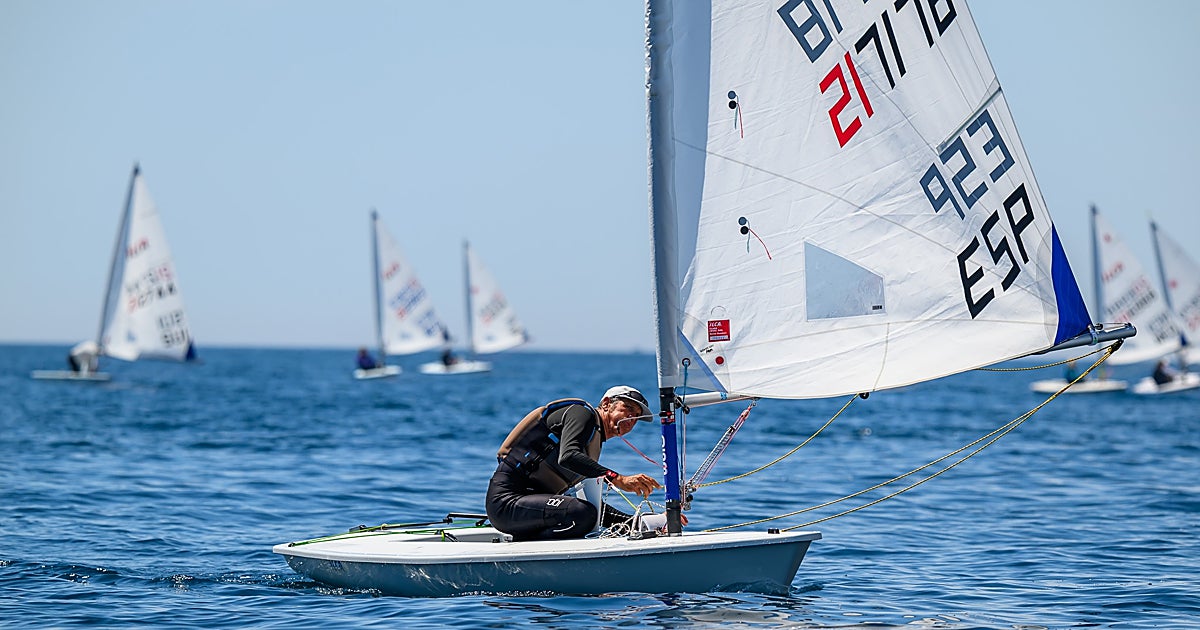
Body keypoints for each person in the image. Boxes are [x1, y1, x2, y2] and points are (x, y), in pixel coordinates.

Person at [486, 385, 664, 541]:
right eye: (628, 408)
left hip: (531, 507)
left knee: (586, 512)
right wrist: (617, 479)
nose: (632, 418)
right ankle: (523, 547)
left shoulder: (592, 443)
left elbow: (593, 506)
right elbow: (569, 456)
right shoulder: (581, 413)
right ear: (607, 404)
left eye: (637, 416)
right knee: (582, 514)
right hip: (507, 502)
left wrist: (640, 522)